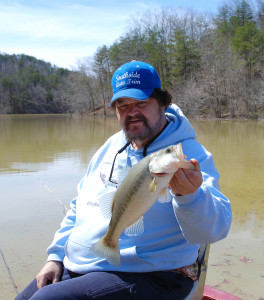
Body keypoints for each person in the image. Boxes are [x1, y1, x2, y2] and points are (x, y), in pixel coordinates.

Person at [15, 61, 232, 300]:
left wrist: (190, 196)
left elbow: (216, 229)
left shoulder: (190, 154)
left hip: (153, 274)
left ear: (162, 103)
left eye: (141, 103)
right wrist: (55, 256)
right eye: (122, 105)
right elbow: (80, 206)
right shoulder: (110, 147)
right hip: (84, 264)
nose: (132, 112)